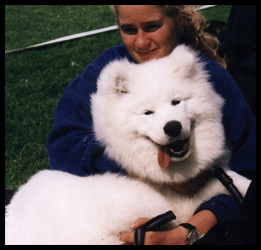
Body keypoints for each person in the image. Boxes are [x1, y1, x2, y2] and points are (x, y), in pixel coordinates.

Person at [46, 5, 256, 245]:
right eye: (129, 30)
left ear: (177, 20)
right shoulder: (105, 73)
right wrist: (143, 169)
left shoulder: (212, 79)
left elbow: (246, 171)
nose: (141, 42)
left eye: (152, 27)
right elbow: (63, 145)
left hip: (198, 226)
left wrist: (185, 233)